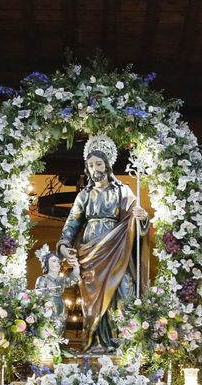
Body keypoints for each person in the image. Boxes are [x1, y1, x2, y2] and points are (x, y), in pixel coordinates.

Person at [57, 134, 149, 351]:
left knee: (124, 289)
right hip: (90, 253)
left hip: (117, 250)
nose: (94, 168)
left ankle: (125, 344)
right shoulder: (84, 196)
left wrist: (142, 218)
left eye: (98, 163)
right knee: (92, 303)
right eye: (90, 165)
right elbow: (71, 225)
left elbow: (134, 219)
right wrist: (63, 246)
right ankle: (96, 344)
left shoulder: (122, 191)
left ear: (107, 165)